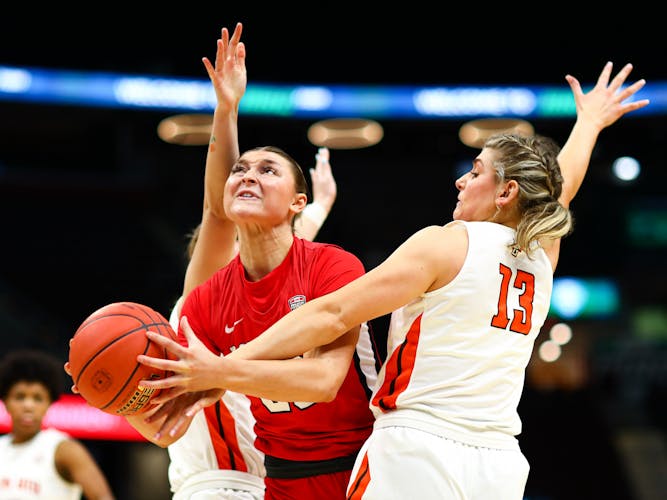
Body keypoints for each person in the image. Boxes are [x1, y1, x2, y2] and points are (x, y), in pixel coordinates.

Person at [137, 61, 649, 500]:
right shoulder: (542, 254)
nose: (462, 179)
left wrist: (225, 368)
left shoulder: (446, 242)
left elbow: (331, 313)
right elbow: (562, 188)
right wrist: (589, 125)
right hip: (498, 461)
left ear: (506, 192)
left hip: (419, 447)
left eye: (475, 172)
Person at [124, 22, 363, 500]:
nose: (248, 178)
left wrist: (317, 207)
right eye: (241, 171)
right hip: (222, 480)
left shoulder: (313, 269)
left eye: (265, 170)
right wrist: (226, 109)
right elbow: (219, 214)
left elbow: (286, 248)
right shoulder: (204, 300)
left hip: (279, 476)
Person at [0, 349, 115, 500]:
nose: (28, 406)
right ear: (5, 402)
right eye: (20, 397)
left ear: (49, 404)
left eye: (38, 398)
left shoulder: (62, 449)